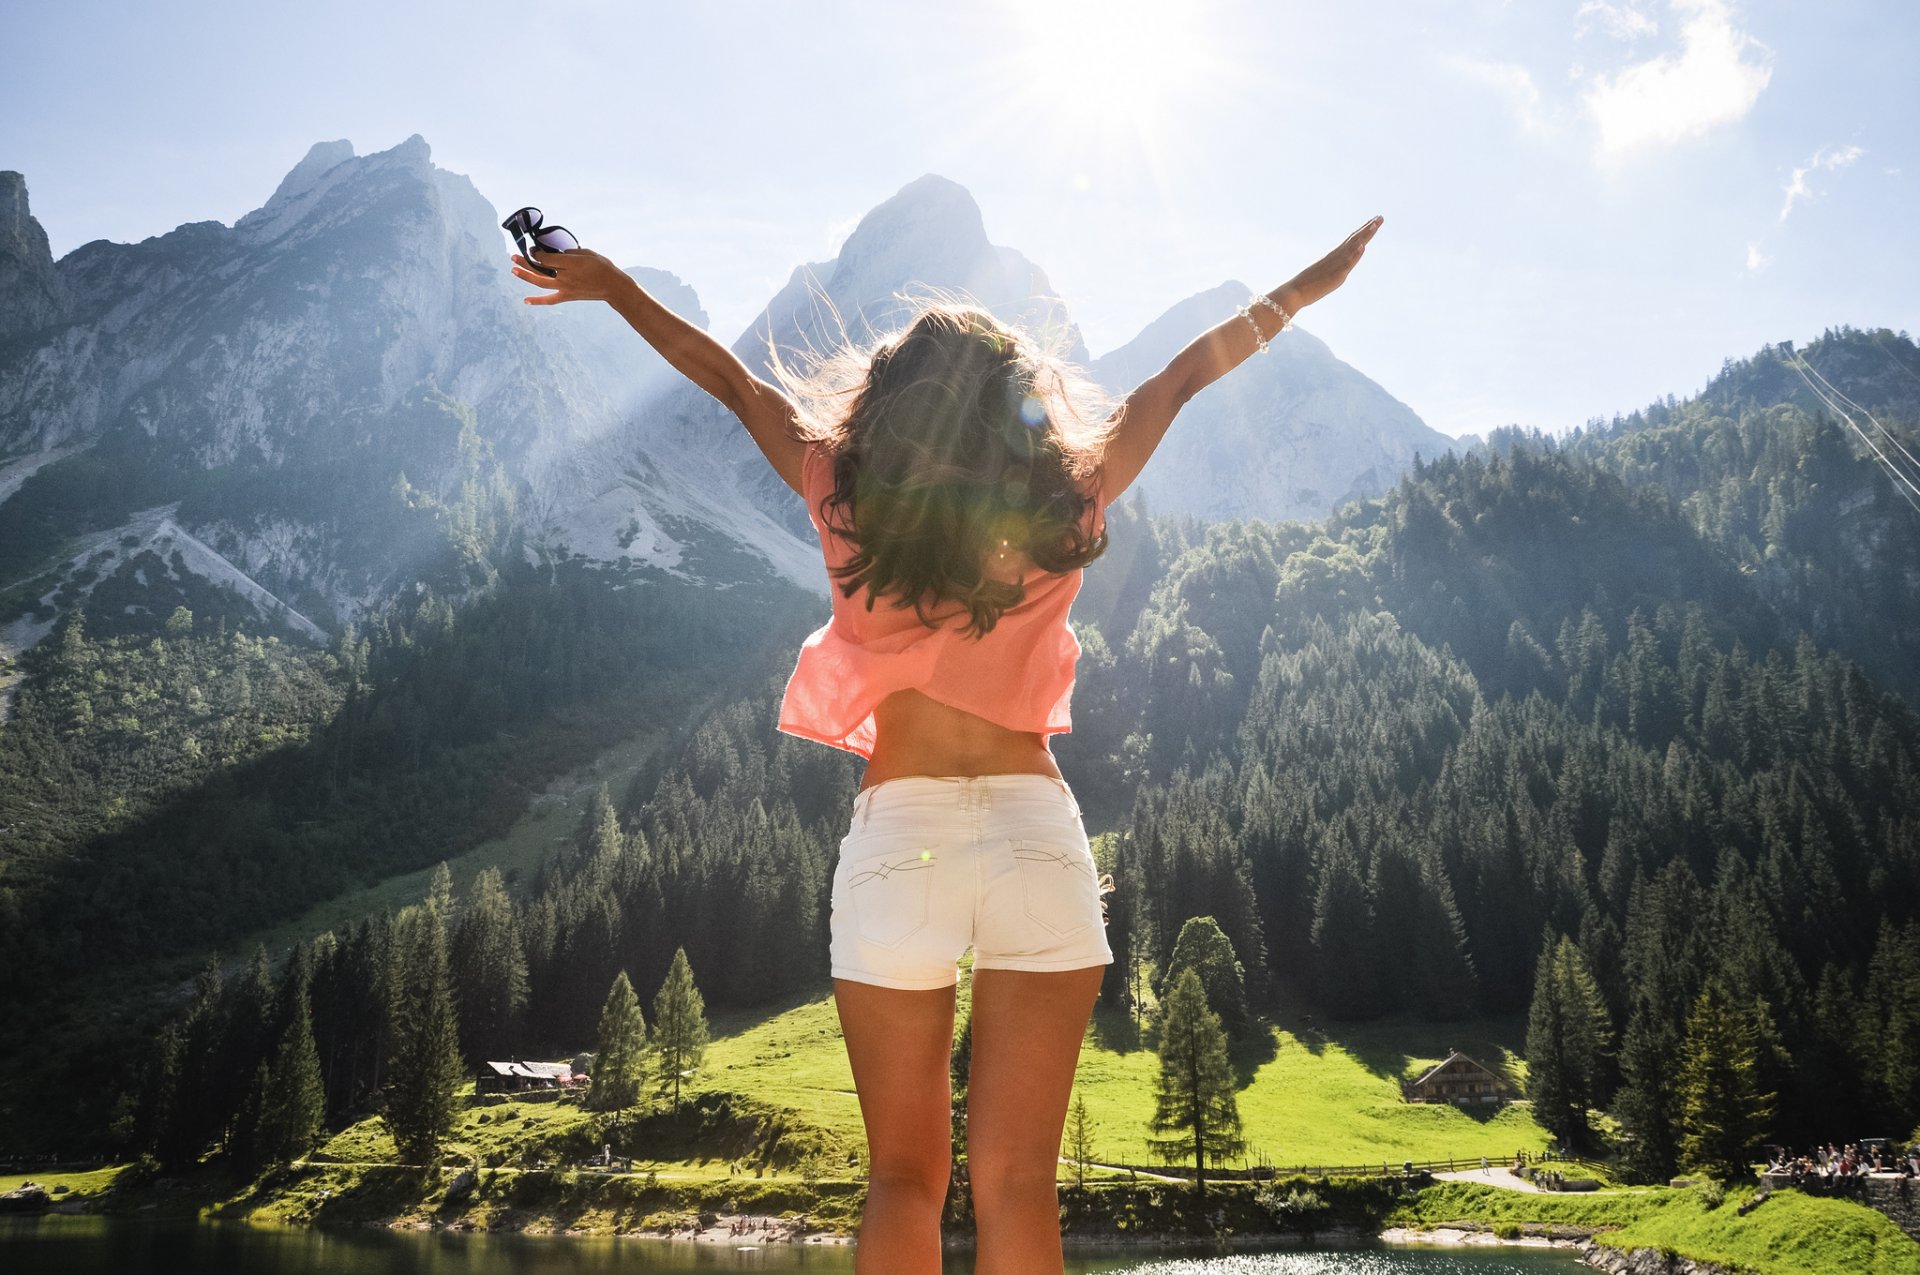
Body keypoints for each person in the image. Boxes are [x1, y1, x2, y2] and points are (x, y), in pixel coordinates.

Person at [509, 211, 1382, 1275]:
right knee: (1020, 1186)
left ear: (893, 400)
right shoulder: (1068, 493)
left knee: (903, 1182)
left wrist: (611, 286)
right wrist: (1305, 287)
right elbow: (1179, 380)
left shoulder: (842, 490)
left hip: (900, 836)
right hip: (1032, 831)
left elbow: (735, 382)